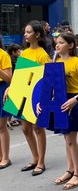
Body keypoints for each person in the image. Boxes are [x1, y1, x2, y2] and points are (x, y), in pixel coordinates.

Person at [38, 32, 78, 189]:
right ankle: (70, 170)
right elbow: (47, 85)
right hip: (61, 101)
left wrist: (75, 100)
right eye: (56, 42)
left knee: (70, 139)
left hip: (74, 101)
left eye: (61, 42)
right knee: (66, 138)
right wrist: (42, 102)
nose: (57, 45)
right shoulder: (54, 62)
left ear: (70, 46)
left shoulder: (77, 62)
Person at [10, 20, 51, 176]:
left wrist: (43, 98)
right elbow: (19, 75)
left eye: (29, 32)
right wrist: (10, 88)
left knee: (37, 128)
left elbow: (46, 79)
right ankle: (34, 158)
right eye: (25, 32)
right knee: (26, 128)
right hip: (23, 94)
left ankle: (41, 162)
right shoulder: (24, 53)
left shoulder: (42, 55)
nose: (26, 35)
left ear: (37, 34)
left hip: (37, 95)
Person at [0, 38, 12, 169]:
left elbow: (9, 78)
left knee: (1, 126)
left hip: (2, 88)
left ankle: (5, 157)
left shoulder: (3, 54)